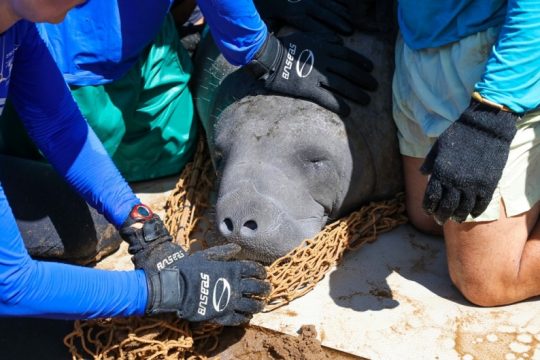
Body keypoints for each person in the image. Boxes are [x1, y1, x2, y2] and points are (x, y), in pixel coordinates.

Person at [0, 0, 271, 324]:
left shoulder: (14, 23)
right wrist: (168, 290)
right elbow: (11, 285)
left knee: (87, 231)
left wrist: (143, 228)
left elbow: (59, 128)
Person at [0, 0, 378, 182]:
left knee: (173, 145)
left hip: (142, 37)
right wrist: (265, 53)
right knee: (77, 177)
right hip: (62, 49)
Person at [393, 0, 540, 306]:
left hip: (500, 57)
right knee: (428, 217)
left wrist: (492, 114)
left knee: (487, 280)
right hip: (420, 42)